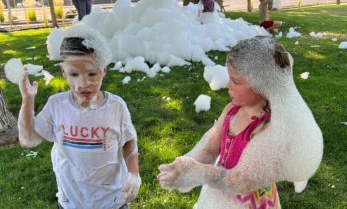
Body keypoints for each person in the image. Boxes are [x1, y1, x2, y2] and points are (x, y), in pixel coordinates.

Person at [157, 36, 323, 208]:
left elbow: (242, 181)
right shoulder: (231, 110)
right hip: (220, 191)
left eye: (235, 81)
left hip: (251, 201)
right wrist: (183, 169)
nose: (228, 85)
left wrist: (198, 172)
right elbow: (210, 150)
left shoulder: (267, 128)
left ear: (261, 85)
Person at [18, 24, 141, 209]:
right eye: (73, 74)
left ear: (104, 70)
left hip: (113, 202)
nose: (82, 84)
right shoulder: (57, 105)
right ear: (63, 72)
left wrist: (133, 173)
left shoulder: (116, 107)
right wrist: (27, 100)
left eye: (92, 73)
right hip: (72, 203)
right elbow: (28, 140)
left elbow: (129, 140)